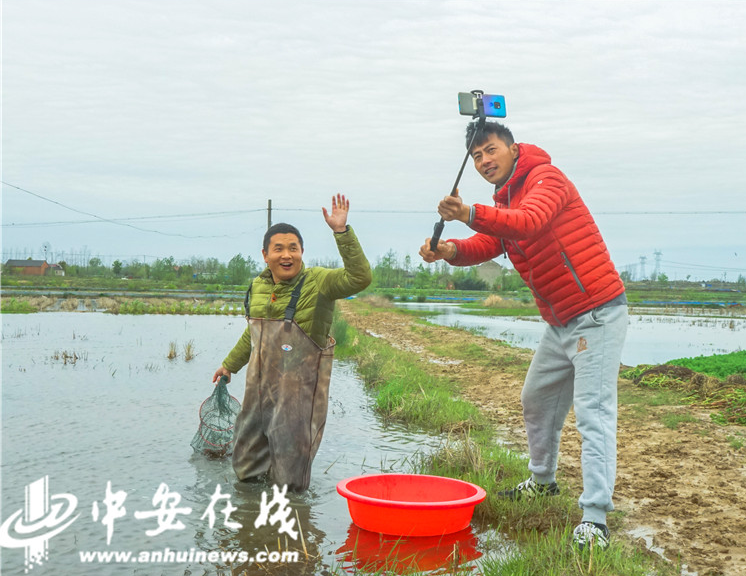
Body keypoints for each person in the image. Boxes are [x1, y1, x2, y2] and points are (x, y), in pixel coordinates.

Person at [419, 122, 627, 550]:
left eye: (490, 150)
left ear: (514, 149)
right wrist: (449, 249)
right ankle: (543, 481)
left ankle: (595, 518)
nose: (484, 161)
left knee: (594, 413)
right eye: (476, 157)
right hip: (560, 320)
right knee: (536, 398)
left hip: (597, 313)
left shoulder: (546, 179)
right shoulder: (504, 198)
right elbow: (489, 242)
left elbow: (529, 223)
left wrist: (468, 212)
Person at [213, 194, 372, 492]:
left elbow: (360, 278)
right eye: (279, 249)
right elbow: (254, 334)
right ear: (265, 255)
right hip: (258, 390)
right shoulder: (259, 286)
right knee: (245, 464)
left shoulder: (319, 282)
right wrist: (228, 365)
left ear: (302, 252)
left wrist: (341, 232)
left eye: (293, 248)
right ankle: (252, 524)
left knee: (289, 478)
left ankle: (290, 528)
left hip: (299, 393)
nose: (287, 255)